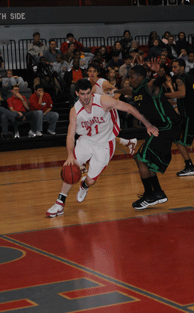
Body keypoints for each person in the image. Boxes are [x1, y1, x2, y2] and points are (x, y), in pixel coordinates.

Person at [46, 78, 157, 217]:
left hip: (105, 142)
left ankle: (84, 185)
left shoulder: (103, 101)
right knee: (70, 167)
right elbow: (70, 135)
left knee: (91, 180)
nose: (86, 97)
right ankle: (59, 203)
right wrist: (70, 155)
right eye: (82, 94)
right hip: (86, 140)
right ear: (77, 93)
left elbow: (129, 107)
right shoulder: (74, 111)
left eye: (88, 93)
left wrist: (147, 124)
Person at [114, 65, 181, 210]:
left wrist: (159, 72)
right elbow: (129, 91)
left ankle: (149, 196)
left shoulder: (150, 85)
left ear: (140, 77)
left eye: (131, 76)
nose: (129, 79)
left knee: (140, 158)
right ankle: (158, 193)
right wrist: (115, 91)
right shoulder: (137, 90)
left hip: (167, 126)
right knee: (147, 161)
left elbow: (159, 81)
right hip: (158, 127)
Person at [87, 62, 137, 154]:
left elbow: (117, 92)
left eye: (94, 71)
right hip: (96, 113)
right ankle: (128, 142)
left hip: (107, 112)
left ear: (97, 73)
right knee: (99, 135)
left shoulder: (103, 83)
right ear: (87, 73)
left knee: (98, 135)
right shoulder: (87, 83)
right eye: (90, 71)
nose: (92, 73)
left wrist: (111, 103)